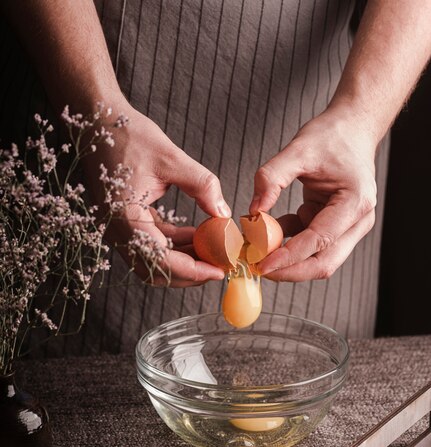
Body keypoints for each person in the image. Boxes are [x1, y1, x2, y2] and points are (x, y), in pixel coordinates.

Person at [1, 0, 430, 355]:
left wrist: (360, 117)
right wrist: (97, 116)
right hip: (81, 118)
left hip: (325, 137)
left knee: (308, 388)